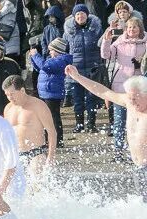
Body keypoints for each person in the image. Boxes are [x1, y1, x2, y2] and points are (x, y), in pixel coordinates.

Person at [66, 65, 147, 201]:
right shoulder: (128, 101)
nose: (132, 102)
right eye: (130, 98)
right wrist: (77, 77)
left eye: (135, 98)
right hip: (138, 167)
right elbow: (103, 92)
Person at [101, 17, 146, 163]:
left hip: (140, 88)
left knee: (138, 123)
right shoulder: (119, 41)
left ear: (140, 29)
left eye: (134, 27)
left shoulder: (146, 43)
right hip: (121, 86)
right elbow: (106, 55)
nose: (131, 30)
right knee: (119, 121)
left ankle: (136, 152)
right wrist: (106, 40)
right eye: (129, 28)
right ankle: (118, 151)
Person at [2, 75, 57, 183]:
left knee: (35, 186)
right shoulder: (8, 108)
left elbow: (52, 132)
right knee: (15, 189)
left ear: (22, 90)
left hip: (36, 153)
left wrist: (51, 157)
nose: (10, 98)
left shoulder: (38, 105)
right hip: (16, 154)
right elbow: (5, 134)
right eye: (7, 94)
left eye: (12, 94)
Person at [63, 4, 103, 133]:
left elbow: (102, 46)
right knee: (78, 100)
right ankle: (79, 124)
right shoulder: (69, 32)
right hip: (76, 71)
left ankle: (91, 124)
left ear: (87, 15)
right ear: (74, 16)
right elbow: (64, 49)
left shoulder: (96, 29)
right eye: (78, 14)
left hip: (92, 69)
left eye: (83, 14)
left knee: (92, 99)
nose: (80, 16)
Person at [30, 38, 72, 147]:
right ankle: (47, 139)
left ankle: (58, 141)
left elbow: (45, 67)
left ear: (58, 50)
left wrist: (36, 55)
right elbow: (40, 68)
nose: (49, 52)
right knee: (44, 117)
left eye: (51, 50)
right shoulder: (51, 59)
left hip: (52, 94)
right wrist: (32, 57)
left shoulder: (62, 60)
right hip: (45, 93)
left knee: (53, 117)